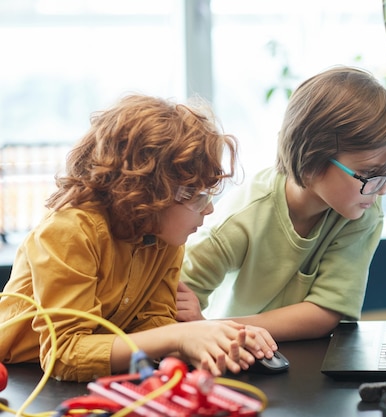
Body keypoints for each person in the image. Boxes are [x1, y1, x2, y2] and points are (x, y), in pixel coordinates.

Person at [0, 94, 277, 382]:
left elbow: (152, 322)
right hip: (21, 376)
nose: (208, 209)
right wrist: (179, 336)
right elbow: (64, 354)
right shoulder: (70, 231)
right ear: (148, 193)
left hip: (94, 375)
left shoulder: (164, 234)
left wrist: (215, 338)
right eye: (196, 196)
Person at [177, 66, 386, 341]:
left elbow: (325, 313)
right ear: (313, 160)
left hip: (308, 359)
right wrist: (210, 330)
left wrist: (218, 327)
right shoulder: (242, 218)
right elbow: (180, 302)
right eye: (370, 174)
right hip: (234, 359)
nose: (382, 189)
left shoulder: (363, 210)